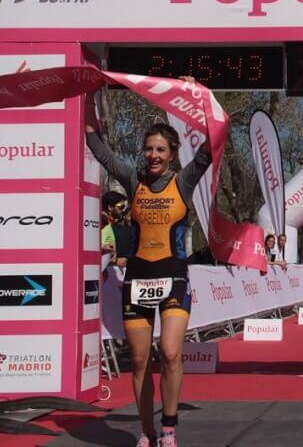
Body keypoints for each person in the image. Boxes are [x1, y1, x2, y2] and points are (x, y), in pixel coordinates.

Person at [85, 78, 211, 447]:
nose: (153, 155)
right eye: (148, 150)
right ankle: (147, 431)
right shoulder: (133, 179)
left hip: (174, 279)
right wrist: (86, 102)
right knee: (139, 362)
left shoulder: (185, 181)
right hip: (137, 280)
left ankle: (168, 427)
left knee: (170, 352)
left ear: (172, 154)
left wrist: (198, 97)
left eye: (160, 150)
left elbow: (213, 144)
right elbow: (100, 149)